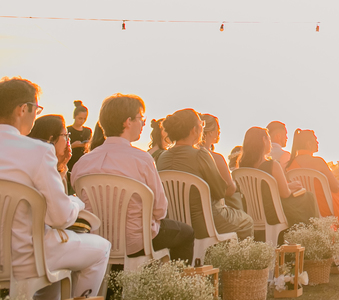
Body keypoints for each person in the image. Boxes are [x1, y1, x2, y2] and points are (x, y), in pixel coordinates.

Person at [0, 78, 111, 300]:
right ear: (23, 109)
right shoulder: (38, 151)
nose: (35, 115)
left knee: (52, 285)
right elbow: (60, 218)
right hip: (26, 255)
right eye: (36, 109)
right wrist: (76, 203)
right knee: (101, 248)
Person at [73, 94, 195, 262]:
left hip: (96, 238)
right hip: (135, 242)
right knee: (187, 233)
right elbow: (160, 209)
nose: (143, 123)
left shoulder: (83, 162)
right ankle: (176, 287)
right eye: (140, 118)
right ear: (127, 122)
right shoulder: (142, 160)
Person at [156, 109, 253, 239]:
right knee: (247, 221)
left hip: (175, 222)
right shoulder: (201, 155)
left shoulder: (162, 157)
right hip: (205, 221)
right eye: (201, 124)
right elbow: (222, 191)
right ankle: (238, 258)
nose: (202, 127)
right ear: (193, 130)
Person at [287, 129, 339, 258]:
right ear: (308, 144)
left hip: (303, 208)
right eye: (315, 140)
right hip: (323, 208)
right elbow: (335, 187)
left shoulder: (290, 165)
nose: (318, 142)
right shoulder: (318, 162)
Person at [240, 127, 319, 227]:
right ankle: (312, 234)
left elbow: (265, 190)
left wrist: (288, 186)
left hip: (252, 214)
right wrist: (292, 186)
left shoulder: (243, 168)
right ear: (264, 140)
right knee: (309, 197)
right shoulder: (272, 165)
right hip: (273, 213)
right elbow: (285, 194)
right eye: (269, 139)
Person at [200, 114, 242, 211]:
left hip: (194, 209)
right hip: (213, 209)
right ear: (210, 132)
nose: (219, 132)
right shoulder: (216, 158)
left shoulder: (190, 156)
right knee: (248, 220)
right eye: (217, 128)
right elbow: (230, 190)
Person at [29, 114, 72, 189]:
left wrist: (59, 167)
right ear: (51, 139)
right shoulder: (40, 171)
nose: (68, 140)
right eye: (65, 135)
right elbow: (55, 197)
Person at [66, 101, 91, 175]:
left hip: (84, 163)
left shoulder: (88, 131)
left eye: (84, 119)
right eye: (80, 118)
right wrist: (73, 146)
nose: (82, 121)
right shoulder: (67, 130)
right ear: (74, 116)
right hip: (70, 163)